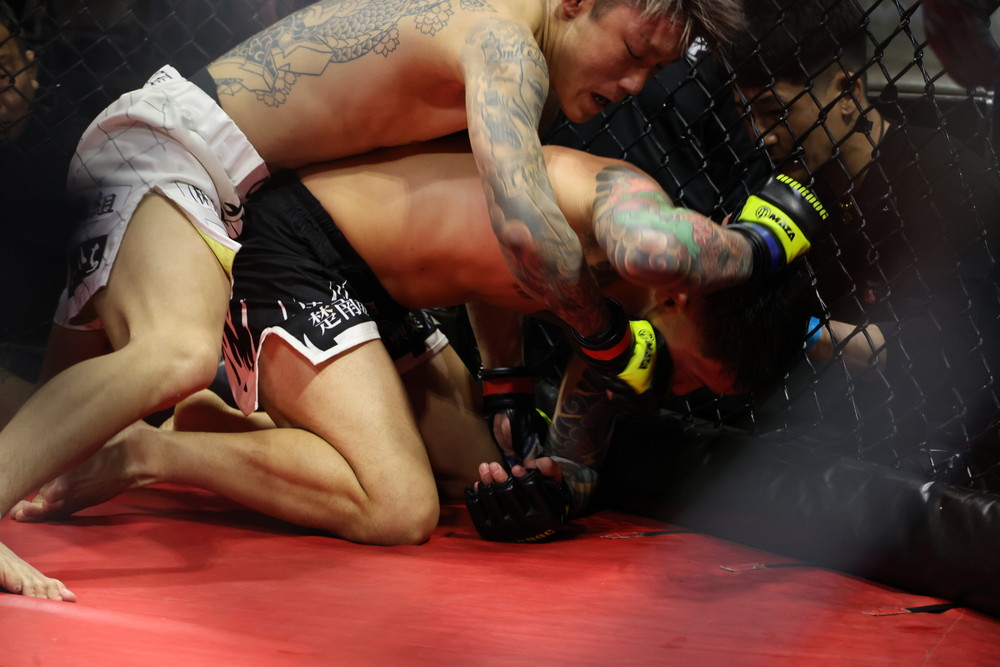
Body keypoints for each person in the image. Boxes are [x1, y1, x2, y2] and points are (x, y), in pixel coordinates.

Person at [0, 0, 750, 600]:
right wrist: (759, 245)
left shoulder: (524, 70)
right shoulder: (504, 47)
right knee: (176, 354)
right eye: (633, 52)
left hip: (256, 200)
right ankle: (148, 450)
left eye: (656, 69)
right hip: (183, 153)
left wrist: (507, 382)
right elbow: (528, 239)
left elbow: (496, 238)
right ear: (577, 2)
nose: (636, 85)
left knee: (51, 411)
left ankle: (199, 431)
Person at [726, 0, 1000, 472]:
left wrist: (792, 331)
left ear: (847, 92)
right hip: (834, 425)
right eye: (746, 114)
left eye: (774, 111)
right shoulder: (791, 185)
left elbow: (940, 353)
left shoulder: (945, 181)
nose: (760, 135)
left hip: (947, 440)